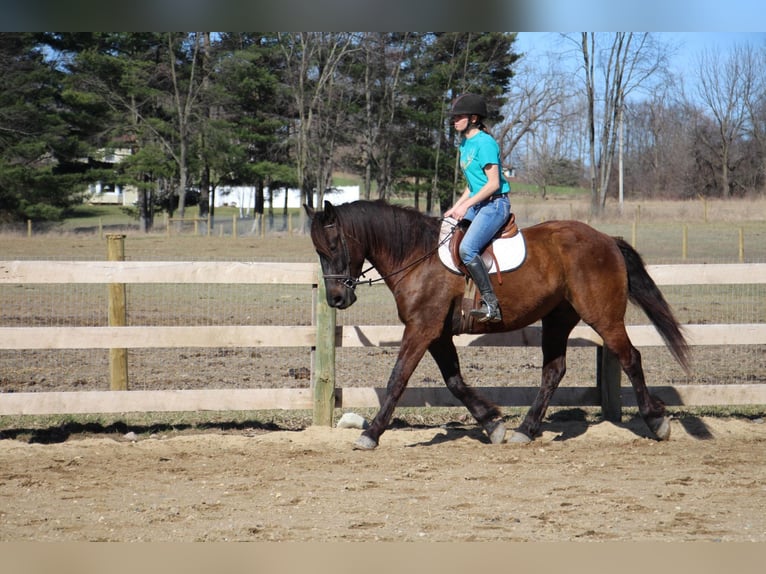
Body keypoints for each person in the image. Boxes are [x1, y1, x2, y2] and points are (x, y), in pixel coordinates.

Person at [444, 93, 511, 323]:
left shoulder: (485, 143)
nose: (453, 121)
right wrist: (456, 207)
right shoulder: (464, 143)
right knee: (447, 234)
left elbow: (493, 184)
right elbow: (473, 184)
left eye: (458, 117)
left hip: (495, 204)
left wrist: (467, 206)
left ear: (473, 118)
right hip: (479, 202)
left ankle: (492, 305)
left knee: (467, 249)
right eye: (453, 118)